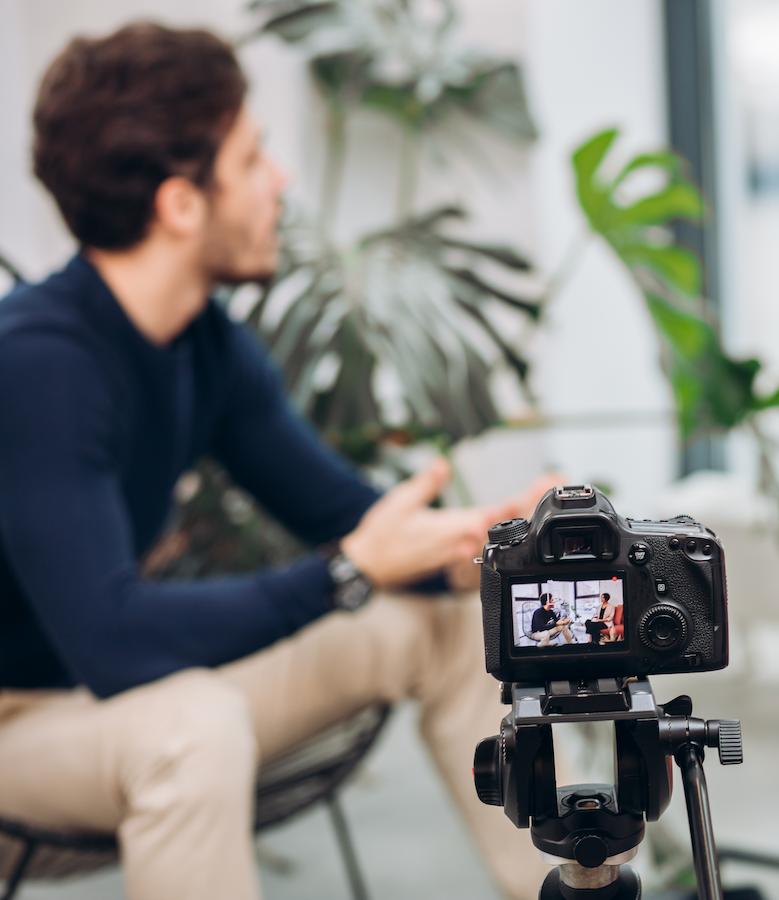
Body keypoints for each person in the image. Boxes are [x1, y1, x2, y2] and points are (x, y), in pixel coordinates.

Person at [0, 23, 556, 900]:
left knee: (448, 630)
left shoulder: (205, 345)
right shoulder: (40, 362)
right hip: (20, 723)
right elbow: (107, 638)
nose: (279, 181)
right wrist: (347, 571)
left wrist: (490, 547)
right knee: (192, 725)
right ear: (182, 203)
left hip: (112, 705)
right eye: (254, 159)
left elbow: (350, 520)